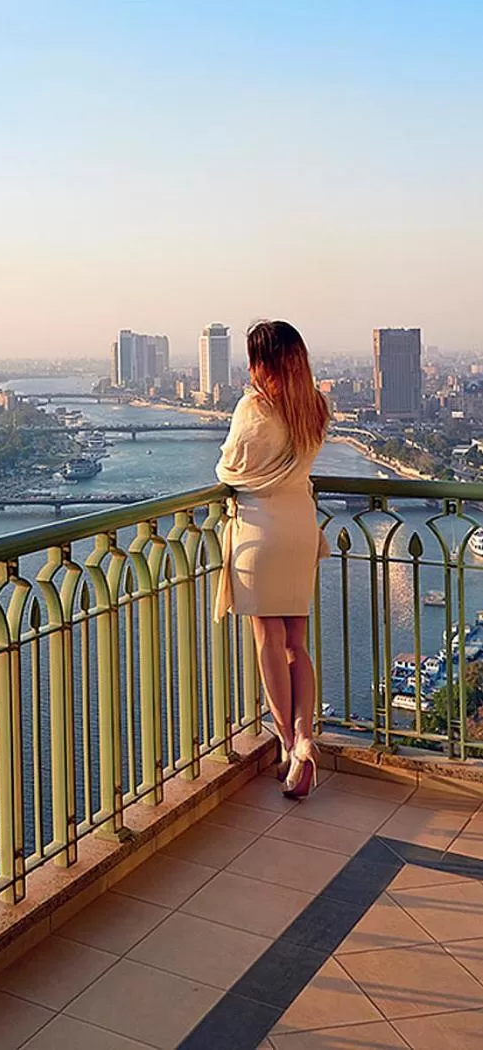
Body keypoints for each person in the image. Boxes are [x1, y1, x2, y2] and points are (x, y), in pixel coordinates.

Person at [213, 320, 331, 799]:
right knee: (296, 643)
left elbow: (229, 469)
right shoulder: (315, 406)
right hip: (301, 527)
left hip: (261, 532)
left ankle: (289, 746)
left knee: (268, 639)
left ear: (261, 364)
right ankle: (306, 736)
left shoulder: (254, 408)